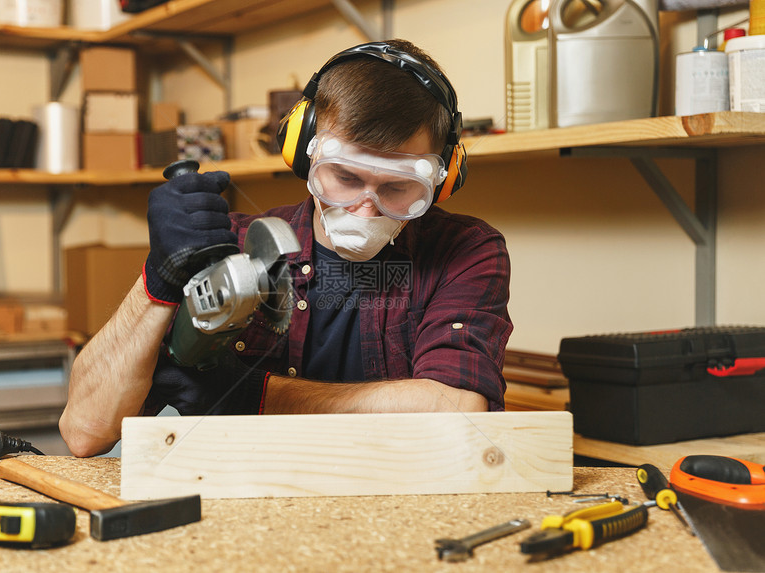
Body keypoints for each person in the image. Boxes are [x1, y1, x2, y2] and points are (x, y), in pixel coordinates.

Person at [59, 39, 512, 457]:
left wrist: (253, 396)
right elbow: (85, 430)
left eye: (397, 188)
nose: (366, 210)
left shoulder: (466, 251)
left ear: (442, 179)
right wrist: (158, 280)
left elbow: (455, 412)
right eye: (346, 178)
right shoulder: (230, 247)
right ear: (304, 152)